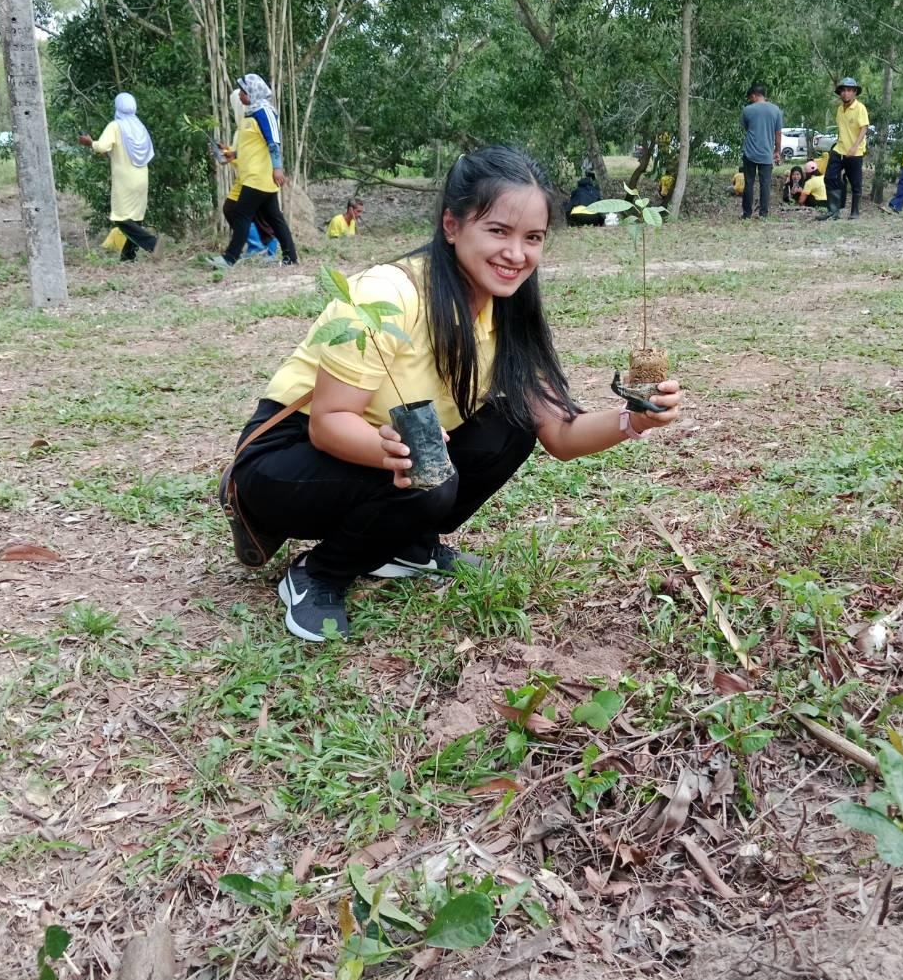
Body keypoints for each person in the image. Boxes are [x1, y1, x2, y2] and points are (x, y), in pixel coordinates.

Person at [225, 146, 683, 643]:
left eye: (533, 238)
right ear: (451, 226)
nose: (516, 254)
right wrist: (397, 453)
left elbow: (560, 434)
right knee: (430, 473)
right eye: (498, 231)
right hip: (284, 460)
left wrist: (634, 420)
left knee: (509, 426)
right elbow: (328, 420)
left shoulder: (508, 312)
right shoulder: (387, 294)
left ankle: (409, 545)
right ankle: (319, 573)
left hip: (390, 456)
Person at [206, 74, 298, 270]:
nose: (240, 96)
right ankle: (291, 257)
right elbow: (254, 146)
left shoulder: (265, 111)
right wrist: (233, 154)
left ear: (253, 93)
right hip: (255, 176)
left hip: (259, 176)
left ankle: (230, 259)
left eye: (243, 92)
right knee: (274, 218)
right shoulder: (252, 114)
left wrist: (278, 168)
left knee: (240, 213)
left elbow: (273, 141)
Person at [78, 94, 157, 262]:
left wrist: (89, 142)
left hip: (125, 179)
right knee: (135, 217)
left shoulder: (116, 126)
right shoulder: (139, 126)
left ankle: (153, 245)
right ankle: (128, 257)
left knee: (120, 218)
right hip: (142, 177)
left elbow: (102, 146)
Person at [825, 77, 869, 220]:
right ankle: (833, 210)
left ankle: (854, 212)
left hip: (855, 151)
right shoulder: (839, 109)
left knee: (855, 182)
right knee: (829, 176)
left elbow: (864, 128)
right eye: (843, 90)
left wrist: (855, 147)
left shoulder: (860, 108)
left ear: (854, 92)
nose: (846, 93)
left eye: (849, 90)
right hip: (840, 148)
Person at [739, 82, 783, 220]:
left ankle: (747, 214)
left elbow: (747, 128)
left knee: (749, 183)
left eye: (750, 98)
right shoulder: (776, 110)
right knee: (765, 184)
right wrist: (777, 150)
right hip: (766, 153)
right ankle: (763, 214)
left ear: (754, 95)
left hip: (750, 152)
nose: (750, 101)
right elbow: (778, 133)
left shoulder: (747, 110)